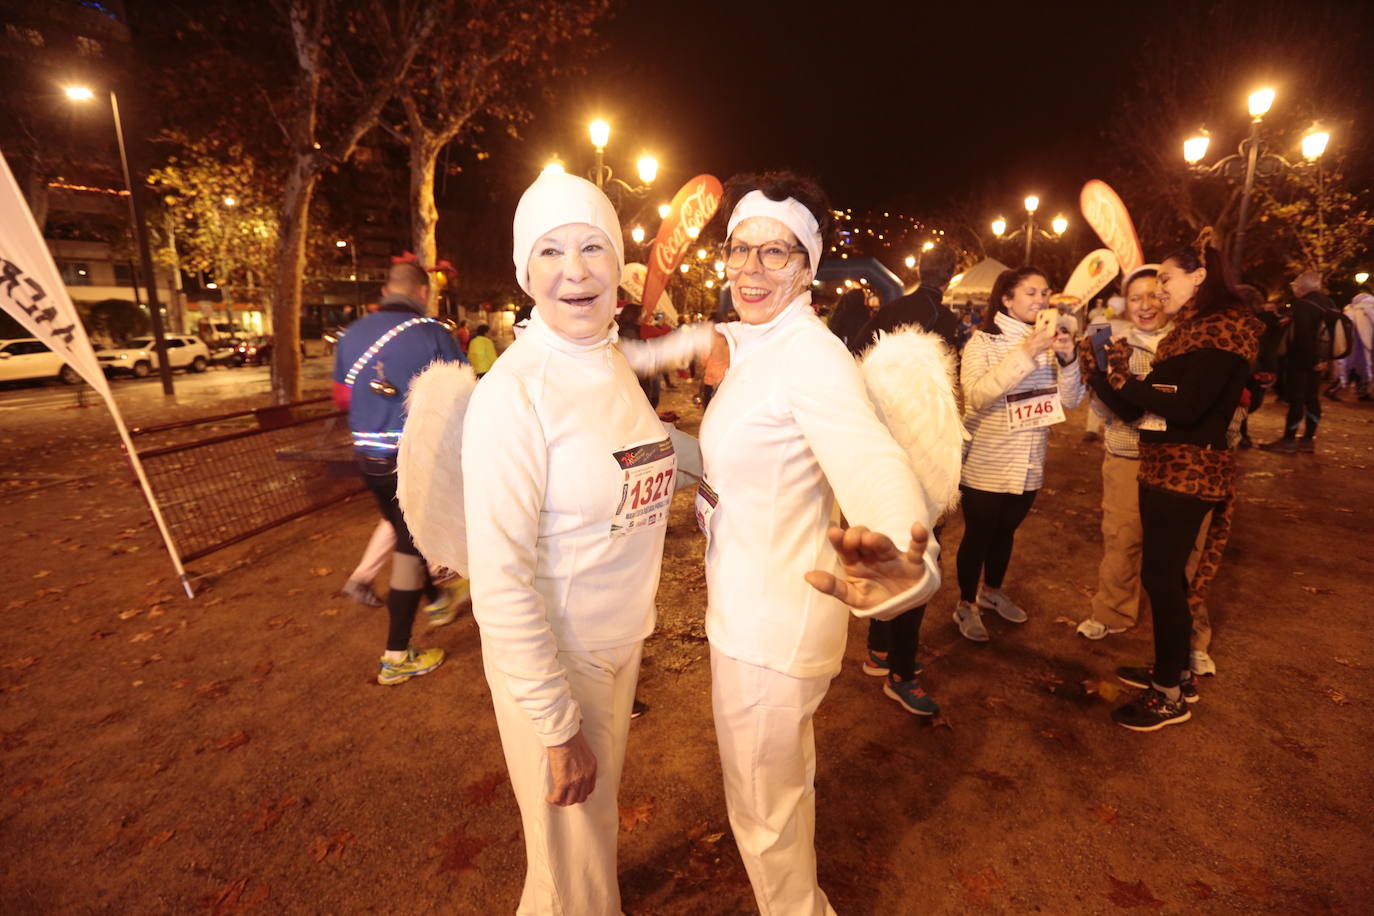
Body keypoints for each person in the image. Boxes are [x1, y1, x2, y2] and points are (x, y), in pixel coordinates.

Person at [699, 171, 946, 915]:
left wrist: (910, 557)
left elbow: (870, 455)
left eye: (775, 254)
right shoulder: (756, 342)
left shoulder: (810, 357)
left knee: (763, 815)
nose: (750, 269)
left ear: (809, 267)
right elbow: (720, 348)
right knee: (778, 794)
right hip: (746, 610)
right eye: (740, 250)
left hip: (772, 628)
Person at [459, 171, 702, 913]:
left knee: (585, 843)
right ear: (524, 272)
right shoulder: (514, 395)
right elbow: (499, 585)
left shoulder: (604, 360)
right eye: (552, 251)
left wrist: (726, 461)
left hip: (615, 648)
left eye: (594, 246)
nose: (576, 270)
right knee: (569, 862)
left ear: (618, 262)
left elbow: (641, 453)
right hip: (556, 667)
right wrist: (557, 727)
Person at [1086, 236, 1261, 731]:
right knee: (1166, 579)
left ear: (1200, 276)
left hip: (1191, 470)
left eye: (1166, 277)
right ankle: (1174, 671)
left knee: (1163, 579)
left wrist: (1131, 383)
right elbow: (1152, 405)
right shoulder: (1194, 327)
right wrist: (1102, 373)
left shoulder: (1225, 328)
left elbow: (1185, 406)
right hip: (1162, 465)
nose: (1158, 288)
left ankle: (1169, 696)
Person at [331, 261, 467, 685]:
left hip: (367, 458)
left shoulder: (351, 334)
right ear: (423, 293)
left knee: (404, 530)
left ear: (387, 289)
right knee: (411, 547)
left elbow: (340, 399)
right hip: (411, 461)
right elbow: (465, 396)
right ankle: (396, 655)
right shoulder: (432, 333)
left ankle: (440, 598)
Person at [851, 242, 963, 713]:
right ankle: (901, 670)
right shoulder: (946, 321)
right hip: (923, 458)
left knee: (889, 549)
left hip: (884, 451)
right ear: (953, 275)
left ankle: (880, 646)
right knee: (918, 558)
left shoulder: (890, 310)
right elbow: (953, 396)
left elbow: (854, 361)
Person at [953, 266, 1084, 641]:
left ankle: (991, 592)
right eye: (1030, 293)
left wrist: (1069, 359)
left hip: (1029, 463)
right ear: (1006, 299)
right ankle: (965, 604)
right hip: (986, 463)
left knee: (1006, 532)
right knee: (978, 535)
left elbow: (1072, 400)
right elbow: (977, 397)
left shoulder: (1053, 342)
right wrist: (1027, 351)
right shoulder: (983, 343)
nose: (1041, 300)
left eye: (1045, 292)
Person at [1261, 271, 1336, 453]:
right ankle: (1308, 439)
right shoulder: (1329, 303)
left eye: (1294, 285)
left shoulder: (1302, 305)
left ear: (1301, 288)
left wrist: (1311, 360)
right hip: (1321, 359)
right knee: (1312, 398)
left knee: (1297, 399)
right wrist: (1323, 360)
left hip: (1302, 360)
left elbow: (1303, 336)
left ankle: (1288, 439)